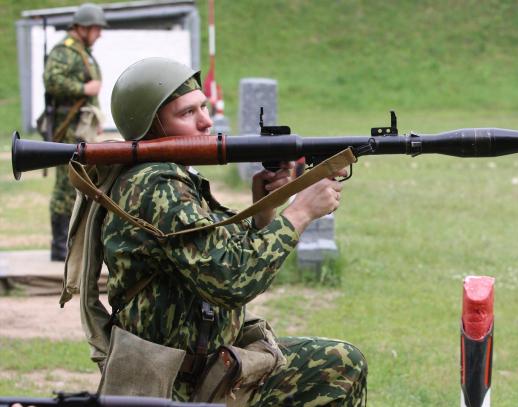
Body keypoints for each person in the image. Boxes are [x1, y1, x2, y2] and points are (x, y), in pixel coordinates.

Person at [101, 57, 367, 405]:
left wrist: (264, 210)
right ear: (151, 127)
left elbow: (211, 250)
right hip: (176, 386)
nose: (206, 121)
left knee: (342, 363)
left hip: (210, 366)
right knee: (343, 366)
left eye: (204, 107)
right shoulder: (156, 185)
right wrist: (300, 212)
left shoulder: (167, 177)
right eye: (186, 113)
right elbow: (232, 279)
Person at [43, 3, 106, 261]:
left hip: (81, 126)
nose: (100, 34)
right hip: (67, 128)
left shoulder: (83, 52)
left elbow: (93, 91)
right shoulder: (65, 51)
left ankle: (71, 241)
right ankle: (59, 245)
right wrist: (83, 89)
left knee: (80, 183)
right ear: (83, 27)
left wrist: (97, 115)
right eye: (96, 28)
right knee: (66, 185)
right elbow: (52, 80)